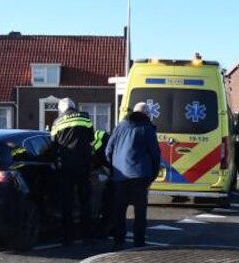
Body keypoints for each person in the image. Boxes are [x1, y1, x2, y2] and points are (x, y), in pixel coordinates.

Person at [105, 101, 162, 249]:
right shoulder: (146, 128)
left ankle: (119, 240)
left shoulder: (120, 126)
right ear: (146, 114)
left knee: (119, 209)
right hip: (140, 175)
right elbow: (155, 154)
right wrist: (152, 175)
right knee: (140, 210)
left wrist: (114, 169)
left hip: (120, 175)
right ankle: (139, 241)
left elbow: (108, 150)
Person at [51, 98, 95, 245]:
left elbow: (53, 145)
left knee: (67, 202)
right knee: (85, 201)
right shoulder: (85, 117)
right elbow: (92, 138)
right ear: (74, 107)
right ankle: (87, 235)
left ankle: (67, 237)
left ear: (62, 109)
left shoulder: (57, 123)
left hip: (66, 166)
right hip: (84, 165)